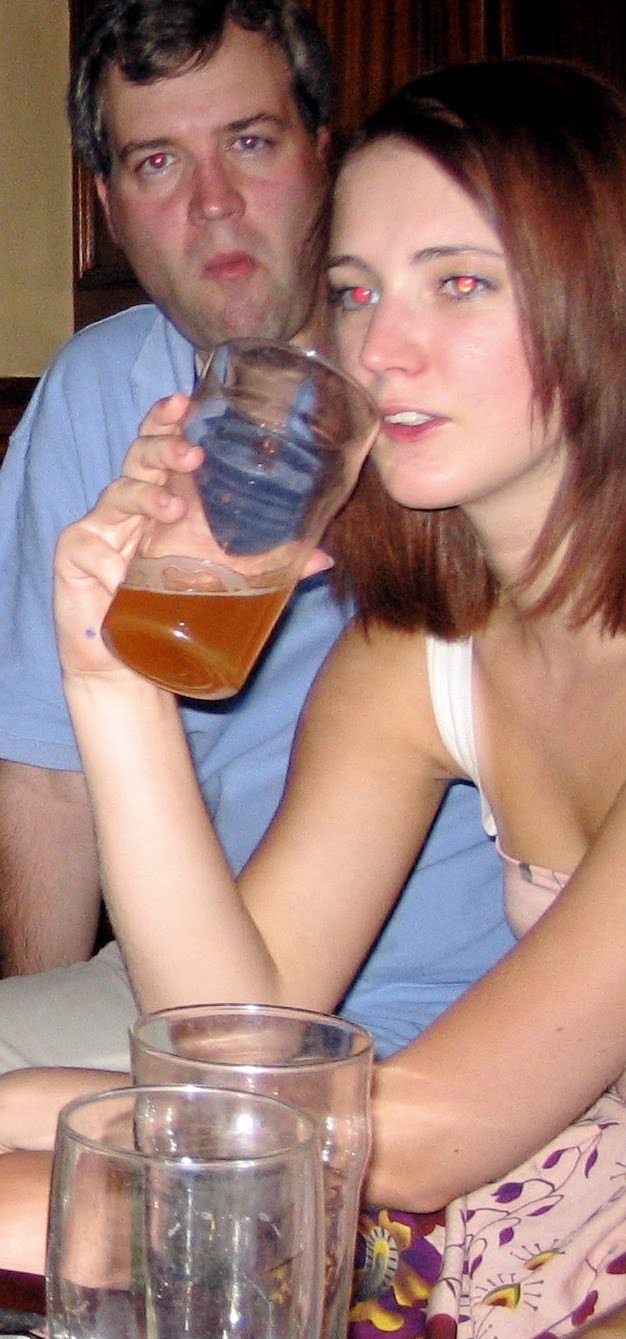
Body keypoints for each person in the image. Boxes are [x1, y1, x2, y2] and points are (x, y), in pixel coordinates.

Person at [2, 52, 626, 1339]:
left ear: (609, 298)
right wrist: (109, 673)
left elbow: (421, 1138)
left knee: (43, 1198)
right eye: (355, 291)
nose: (378, 345)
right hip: (545, 1162)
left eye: (458, 282)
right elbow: (234, 1042)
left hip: (563, 1187)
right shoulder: (422, 656)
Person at [0, 0, 512, 1068]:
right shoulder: (100, 396)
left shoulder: (462, 410)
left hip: (477, 1020)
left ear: (326, 154)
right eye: (155, 163)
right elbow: (47, 781)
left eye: (248, 141)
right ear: (106, 204)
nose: (213, 204)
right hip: (193, 984)